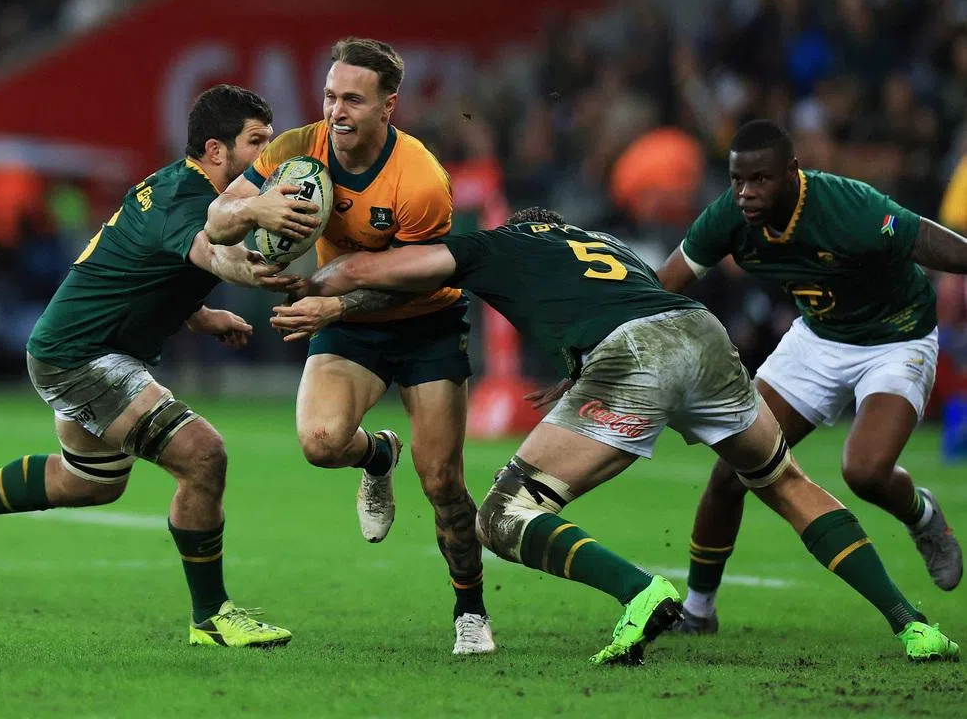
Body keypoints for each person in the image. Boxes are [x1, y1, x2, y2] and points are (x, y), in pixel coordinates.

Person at [294, 207, 960, 664]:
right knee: (784, 482)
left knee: (503, 515)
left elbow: (367, 272)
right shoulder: (605, 245)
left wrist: (313, 288)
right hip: (701, 336)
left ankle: (639, 591)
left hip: (635, 358)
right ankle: (913, 624)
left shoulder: (496, 244)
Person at [0, 84, 313, 648]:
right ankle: (212, 617)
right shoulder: (187, 199)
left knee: (86, 483)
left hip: (74, 347)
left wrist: (200, 313)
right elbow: (210, 251)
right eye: (256, 143)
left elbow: (146, 269)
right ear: (217, 150)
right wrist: (257, 266)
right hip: (81, 356)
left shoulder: (181, 189)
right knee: (203, 455)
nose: (266, 159)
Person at [209, 37, 493, 655]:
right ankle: (375, 458)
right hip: (346, 320)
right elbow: (216, 220)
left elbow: (416, 280)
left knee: (442, 479)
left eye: (353, 100)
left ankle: (469, 608)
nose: (336, 111)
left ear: (388, 106)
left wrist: (333, 303)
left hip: (424, 321)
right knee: (319, 442)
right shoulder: (296, 150)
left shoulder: (420, 181)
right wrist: (257, 207)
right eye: (330, 95)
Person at [653, 120, 964, 634]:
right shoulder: (730, 216)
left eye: (761, 179)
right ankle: (699, 611)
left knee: (864, 471)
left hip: (896, 336)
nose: (747, 193)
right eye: (738, 181)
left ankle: (922, 515)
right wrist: (598, 341)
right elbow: (668, 281)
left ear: (793, 173)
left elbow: (922, 239)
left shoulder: (847, 207)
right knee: (732, 470)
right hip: (817, 340)